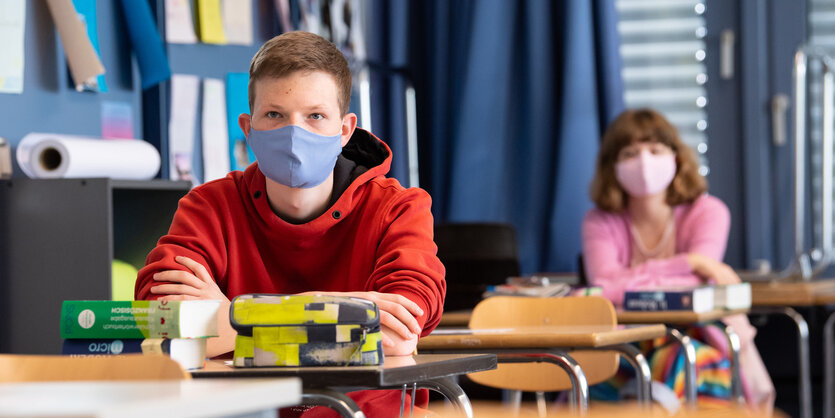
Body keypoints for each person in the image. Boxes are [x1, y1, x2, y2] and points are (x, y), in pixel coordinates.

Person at [134, 31, 446, 417]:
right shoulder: (209, 206)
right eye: (275, 115)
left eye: (315, 116)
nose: (294, 133)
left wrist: (231, 316)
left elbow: (399, 333)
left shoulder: (398, 208)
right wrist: (338, 314)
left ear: (345, 130)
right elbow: (163, 321)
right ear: (248, 128)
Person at [582, 108, 774, 412]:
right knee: (602, 372)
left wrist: (629, 281)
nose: (644, 161)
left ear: (676, 157)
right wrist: (689, 262)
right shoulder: (599, 221)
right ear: (612, 166)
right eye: (630, 152)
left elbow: (695, 288)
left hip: (705, 342)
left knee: (674, 362)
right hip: (627, 341)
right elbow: (603, 283)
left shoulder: (709, 213)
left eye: (655, 150)